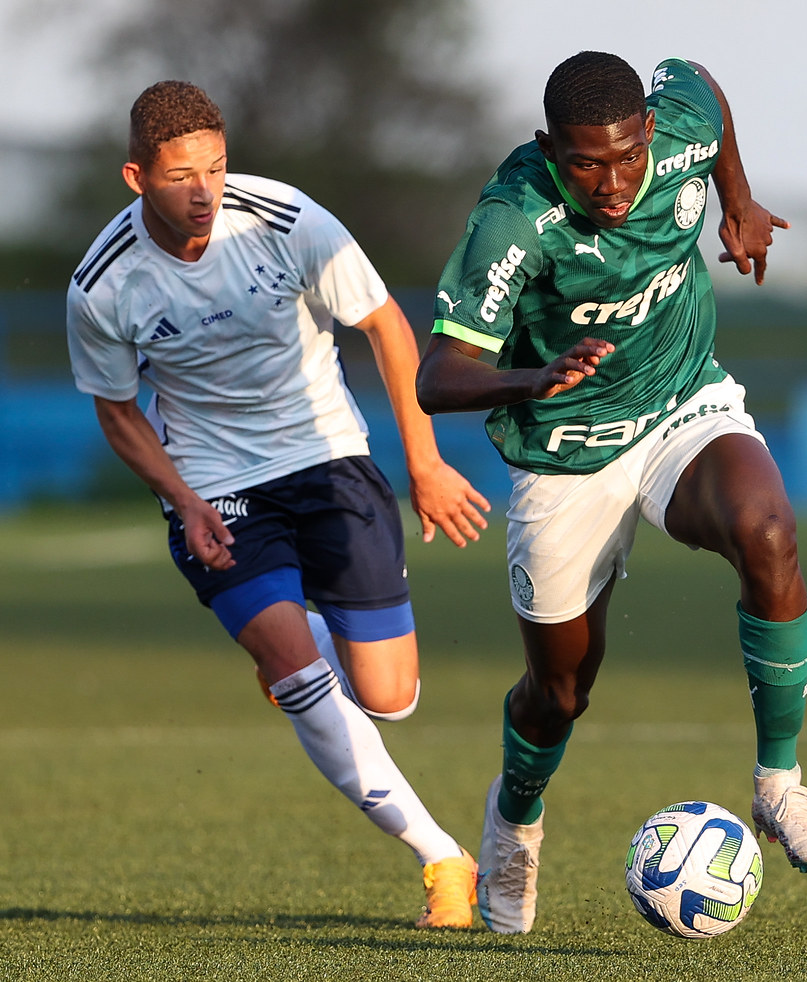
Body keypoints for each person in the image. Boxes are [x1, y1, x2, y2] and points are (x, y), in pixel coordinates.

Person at [416, 51, 807, 934]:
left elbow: (704, 86)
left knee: (767, 529)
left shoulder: (679, 126)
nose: (611, 183)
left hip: (681, 401)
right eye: (584, 162)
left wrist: (739, 200)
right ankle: (515, 822)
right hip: (565, 452)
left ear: (649, 130)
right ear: (549, 149)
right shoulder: (514, 220)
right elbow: (438, 376)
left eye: (624, 157)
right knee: (562, 690)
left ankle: (779, 784)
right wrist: (533, 379)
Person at [66, 80, 491, 929]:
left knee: (390, 696)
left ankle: (314, 642)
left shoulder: (287, 217)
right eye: (180, 174)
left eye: (216, 168)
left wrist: (425, 462)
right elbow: (118, 411)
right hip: (215, 488)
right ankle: (443, 858)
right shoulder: (101, 286)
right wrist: (181, 499)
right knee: (297, 675)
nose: (203, 191)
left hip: (327, 459)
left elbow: (385, 325)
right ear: (135, 177)